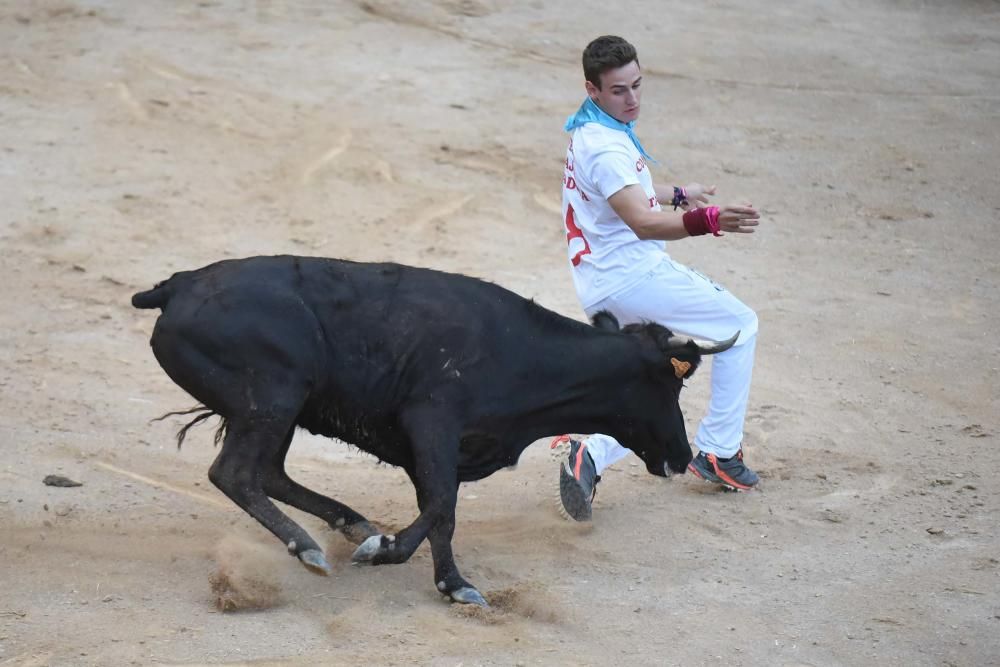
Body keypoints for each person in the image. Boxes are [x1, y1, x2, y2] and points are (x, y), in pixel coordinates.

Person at [556, 35, 762, 521]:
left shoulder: (591, 130)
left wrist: (675, 193)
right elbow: (641, 222)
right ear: (593, 89)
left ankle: (591, 455)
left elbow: (624, 193)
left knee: (655, 377)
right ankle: (718, 452)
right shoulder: (606, 147)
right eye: (619, 91)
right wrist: (708, 218)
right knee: (739, 327)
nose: (632, 100)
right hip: (635, 278)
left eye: (637, 86)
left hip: (601, 281)